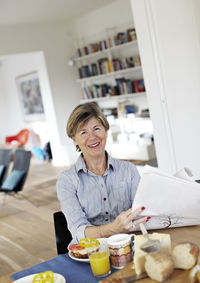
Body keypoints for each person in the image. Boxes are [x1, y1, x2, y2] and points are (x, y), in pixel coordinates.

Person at [56, 102, 150, 243]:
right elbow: (79, 231)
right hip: (90, 253)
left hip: (128, 245)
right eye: (83, 132)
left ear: (105, 130)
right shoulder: (66, 181)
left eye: (96, 128)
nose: (92, 137)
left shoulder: (129, 170)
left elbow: (140, 215)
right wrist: (114, 228)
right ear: (74, 139)